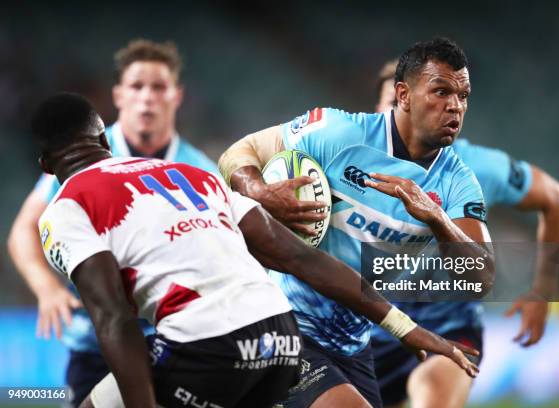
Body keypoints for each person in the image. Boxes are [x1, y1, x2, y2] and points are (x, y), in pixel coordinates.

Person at [33, 92, 479, 408]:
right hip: (284, 339)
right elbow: (300, 258)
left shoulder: (66, 208)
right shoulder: (191, 174)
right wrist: (405, 326)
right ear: (106, 141)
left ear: (47, 166)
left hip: (206, 348)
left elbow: (112, 317)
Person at [218, 37, 494, 408]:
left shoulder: (459, 183)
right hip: (284, 324)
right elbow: (240, 151)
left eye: (463, 96)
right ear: (404, 95)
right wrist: (259, 191)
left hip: (353, 344)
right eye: (441, 91)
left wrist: (438, 219)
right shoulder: (339, 132)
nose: (455, 107)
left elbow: (480, 278)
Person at [7, 39, 217, 406]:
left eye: (159, 87)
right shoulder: (77, 152)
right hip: (94, 342)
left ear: (177, 96)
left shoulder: (197, 169)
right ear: (118, 95)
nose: (147, 98)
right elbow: (24, 229)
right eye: (137, 87)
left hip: (168, 342)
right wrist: (46, 287)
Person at [371, 59, 559, 407]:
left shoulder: (478, 168)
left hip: (449, 327)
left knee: (433, 396)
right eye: (393, 104)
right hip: (370, 330)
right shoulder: (351, 165)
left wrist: (543, 291)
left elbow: (558, 200)